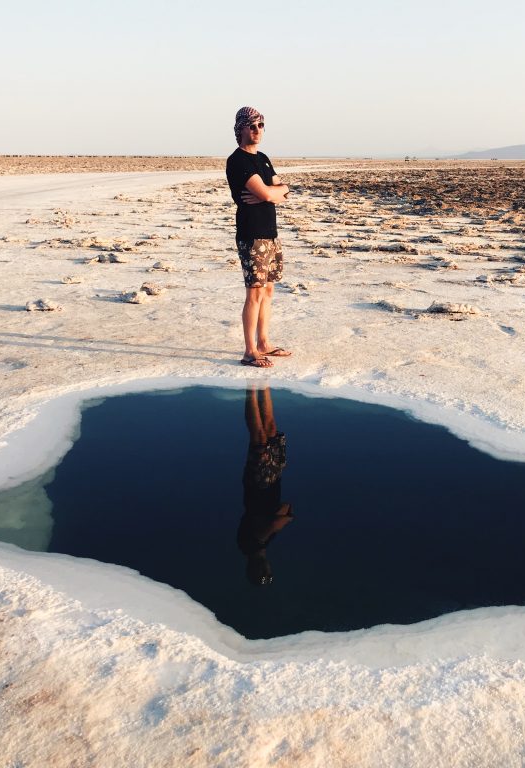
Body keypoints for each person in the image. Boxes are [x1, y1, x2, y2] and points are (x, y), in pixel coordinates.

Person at [226, 106, 293, 368]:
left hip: (271, 234)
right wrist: (270, 192)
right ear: (240, 129)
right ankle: (250, 351)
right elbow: (267, 194)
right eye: (251, 125)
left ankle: (264, 342)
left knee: (268, 291)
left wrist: (277, 190)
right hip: (252, 235)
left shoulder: (262, 158)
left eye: (261, 125)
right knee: (254, 293)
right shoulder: (238, 161)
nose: (257, 130)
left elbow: (283, 192)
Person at [237, 386, 293, 585]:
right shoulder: (263, 544)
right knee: (270, 429)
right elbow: (285, 507)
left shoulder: (251, 545)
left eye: (262, 571)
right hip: (273, 479)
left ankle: (251, 389)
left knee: (258, 438)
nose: (265, 567)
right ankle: (264, 386)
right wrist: (282, 517)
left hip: (259, 485)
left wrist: (283, 520)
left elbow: (279, 519)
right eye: (267, 570)